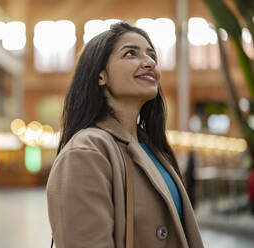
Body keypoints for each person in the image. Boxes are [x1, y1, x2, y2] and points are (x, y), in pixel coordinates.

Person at [46, 21, 204, 248]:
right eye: (131, 54)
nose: (149, 62)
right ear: (101, 76)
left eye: (152, 56)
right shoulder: (86, 152)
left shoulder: (152, 148)